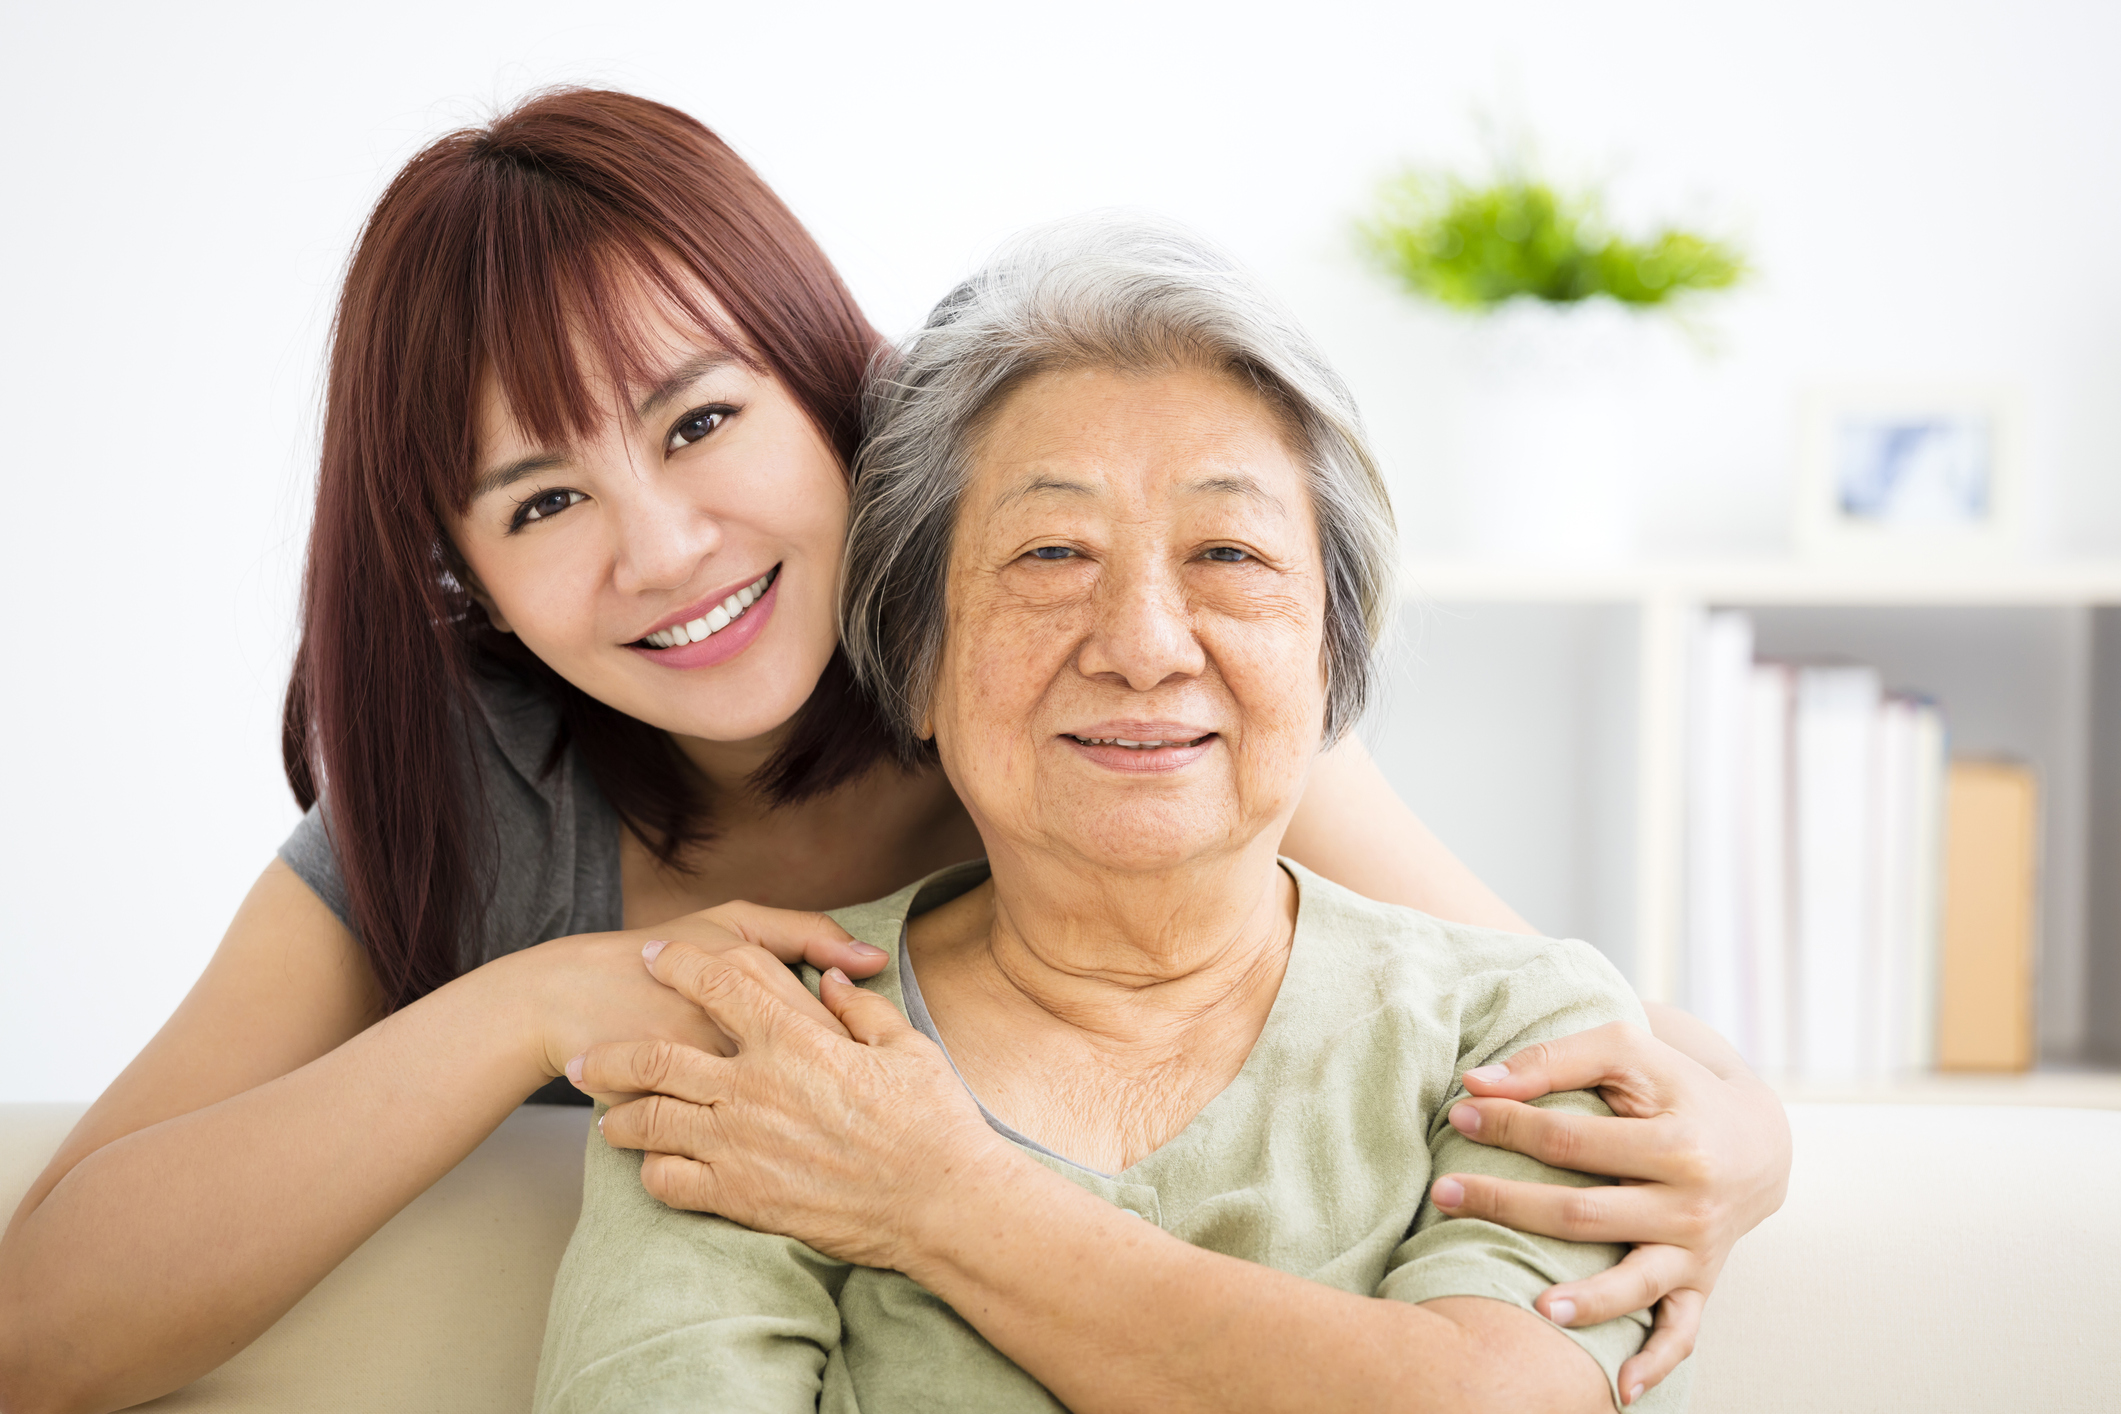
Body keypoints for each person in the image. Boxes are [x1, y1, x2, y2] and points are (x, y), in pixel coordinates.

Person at [0, 89, 1782, 1413]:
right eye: (544, 498)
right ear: (464, 574)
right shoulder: (475, 795)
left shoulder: (1102, 703)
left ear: (827, 379)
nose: (663, 544)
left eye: (702, 418)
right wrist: (544, 999)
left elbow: (1560, 1021)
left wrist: (1751, 1139)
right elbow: (42, 1320)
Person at [541, 217, 1689, 1412]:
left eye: (1229, 553)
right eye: (1049, 552)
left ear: (1330, 652)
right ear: (918, 659)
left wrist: (940, 1198)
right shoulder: (759, 1051)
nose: (1144, 644)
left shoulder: (1523, 1033)